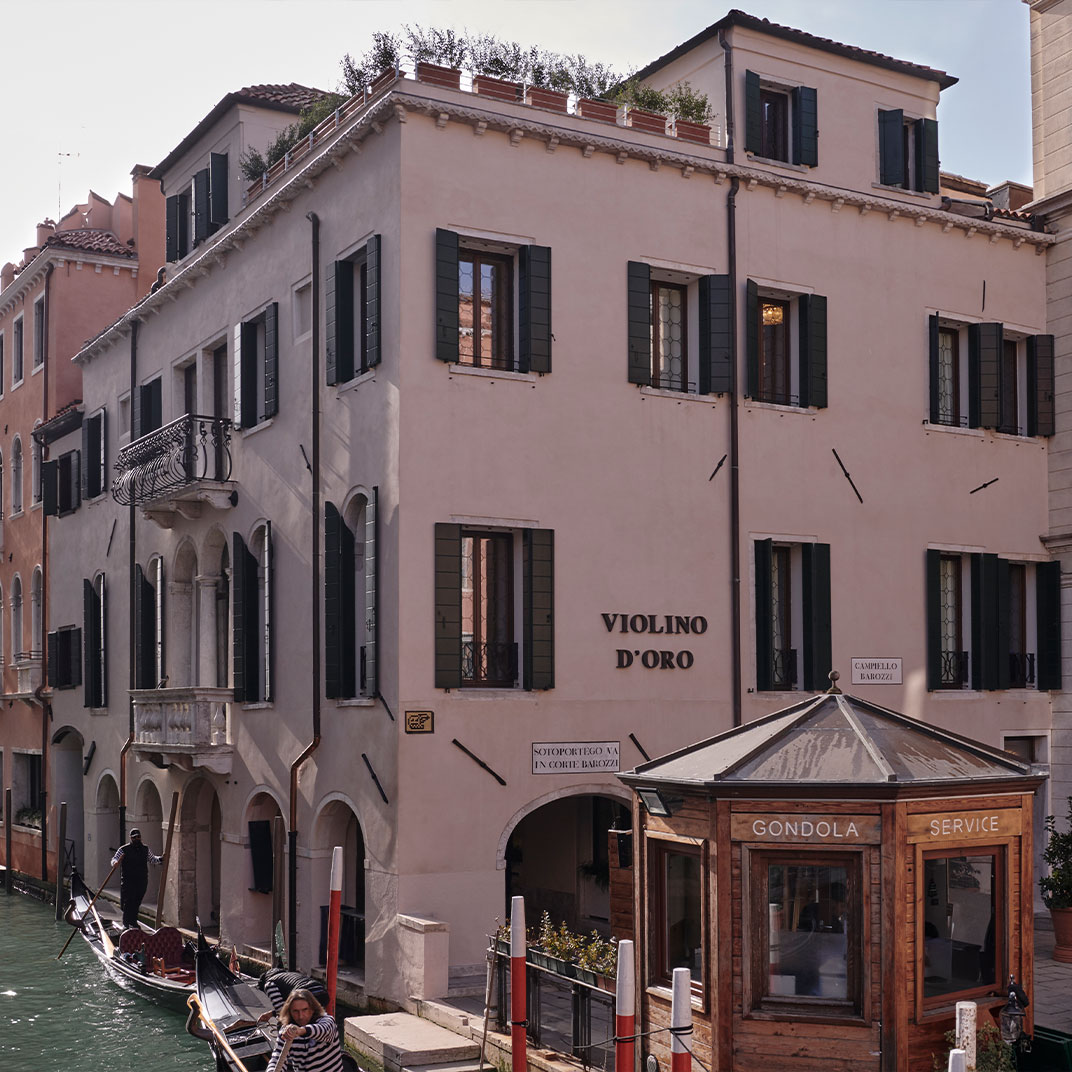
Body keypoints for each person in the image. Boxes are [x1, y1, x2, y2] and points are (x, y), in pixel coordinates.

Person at [266, 988, 344, 1072]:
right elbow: (277, 1058)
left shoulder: (328, 1021)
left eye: (305, 1010)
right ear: (290, 1012)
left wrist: (301, 1031)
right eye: (295, 1011)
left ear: (313, 1009)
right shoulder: (286, 1032)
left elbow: (323, 1030)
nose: (301, 1016)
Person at [110, 829, 162, 928]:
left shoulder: (145, 849)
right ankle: (126, 924)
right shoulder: (123, 849)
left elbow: (152, 859)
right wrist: (115, 863)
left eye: (138, 837)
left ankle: (133, 922)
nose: (136, 839)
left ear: (140, 837)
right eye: (134, 837)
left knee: (137, 901)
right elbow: (115, 858)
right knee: (129, 901)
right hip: (128, 881)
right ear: (131, 838)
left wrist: (161, 859)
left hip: (142, 880)